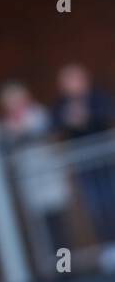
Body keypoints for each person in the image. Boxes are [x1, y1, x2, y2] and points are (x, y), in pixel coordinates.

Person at [0, 81, 71, 255]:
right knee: (39, 230)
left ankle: (66, 267)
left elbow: (49, 136)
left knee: (58, 226)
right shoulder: (5, 127)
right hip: (30, 183)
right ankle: (50, 269)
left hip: (49, 178)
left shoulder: (39, 115)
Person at [52, 64, 115, 243]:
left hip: (106, 161)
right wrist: (69, 120)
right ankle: (109, 245)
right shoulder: (61, 106)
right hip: (84, 167)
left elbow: (106, 113)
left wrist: (86, 117)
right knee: (96, 207)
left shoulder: (97, 97)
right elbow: (53, 123)